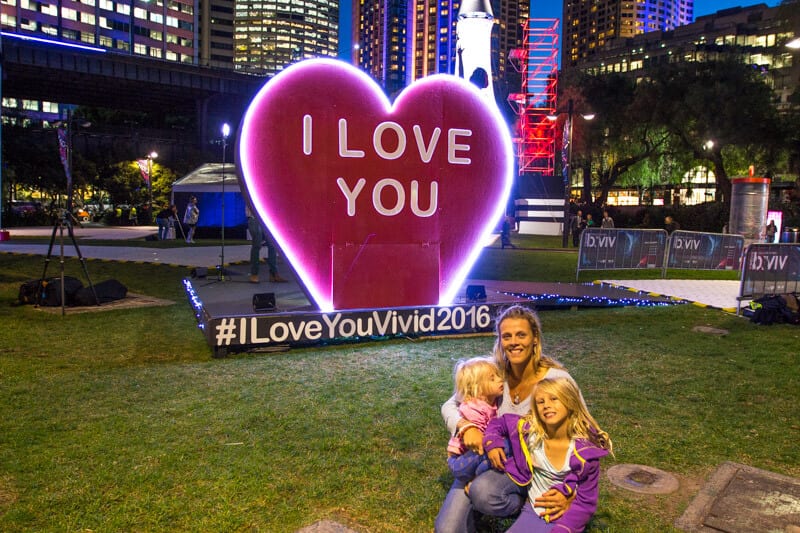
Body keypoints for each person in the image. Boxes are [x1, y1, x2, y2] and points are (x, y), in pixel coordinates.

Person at [435, 305, 577, 533]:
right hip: (485, 458)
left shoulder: (556, 379)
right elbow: (450, 405)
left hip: (535, 469)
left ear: (534, 339)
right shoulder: (494, 373)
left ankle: (519, 503)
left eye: (521, 335)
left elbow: (583, 435)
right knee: (447, 530)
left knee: (483, 491)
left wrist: (572, 493)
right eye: (507, 336)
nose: (514, 342)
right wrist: (466, 426)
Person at [483, 377, 613, 532]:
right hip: (533, 510)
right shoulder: (530, 432)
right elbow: (500, 423)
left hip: (565, 517)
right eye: (540, 402)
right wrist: (492, 442)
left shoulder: (585, 454)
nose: (547, 405)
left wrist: (564, 528)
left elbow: (586, 503)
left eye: (554, 399)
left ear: (570, 402)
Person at [446, 357, 504, 487]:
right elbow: (478, 441)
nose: (500, 380)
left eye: (498, 376)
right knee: (492, 452)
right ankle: (474, 480)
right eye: (492, 378)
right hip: (460, 459)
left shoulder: (491, 402)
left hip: (470, 456)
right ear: (477, 387)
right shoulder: (473, 408)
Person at [247, 205, 287, 284]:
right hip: (254, 217)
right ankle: (254, 274)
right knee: (257, 245)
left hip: (267, 217)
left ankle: (274, 273)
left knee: (272, 245)